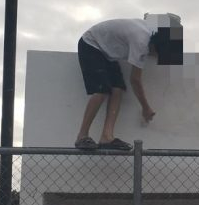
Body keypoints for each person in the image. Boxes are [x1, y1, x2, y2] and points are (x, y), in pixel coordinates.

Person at [74, 15, 178, 151]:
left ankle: (107, 137)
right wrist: (146, 108)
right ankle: (82, 136)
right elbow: (135, 80)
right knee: (101, 90)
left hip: (106, 51)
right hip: (91, 43)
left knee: (118, 89)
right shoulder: (141, 41)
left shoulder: (150, 32)